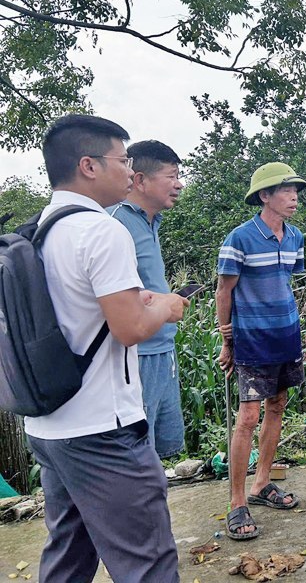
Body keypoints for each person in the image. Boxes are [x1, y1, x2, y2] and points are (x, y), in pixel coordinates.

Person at [26, 115, 188, 582]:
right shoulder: (101, 230)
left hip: (50, 426)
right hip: (102, 430)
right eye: (122, 161)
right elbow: (131, 328)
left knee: (69, 555)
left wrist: (139, 303)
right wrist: (166, 306)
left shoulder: (41, 229)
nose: (129, 171)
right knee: (148, 562)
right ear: (89, 166)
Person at [216, 162, 306, 540]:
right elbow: (224, 291)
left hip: (286, 335)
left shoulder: (295, 237)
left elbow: (285, 283)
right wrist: (227, 340)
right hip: (251, 339)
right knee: (248, 417)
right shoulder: (239, 238)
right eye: (286, 190)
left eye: (296, 190)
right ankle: (237, 502)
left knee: (277, 405)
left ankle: (262, 483)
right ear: (264, 196)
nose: (294, 197)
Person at [109, 140, 186, 459]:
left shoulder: (150, 221)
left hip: (163, 351)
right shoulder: (114, 223)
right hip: (135, 358)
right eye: (172, 176)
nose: (179, 184)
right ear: (140, 180)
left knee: (161, 454)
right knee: (136, 457)